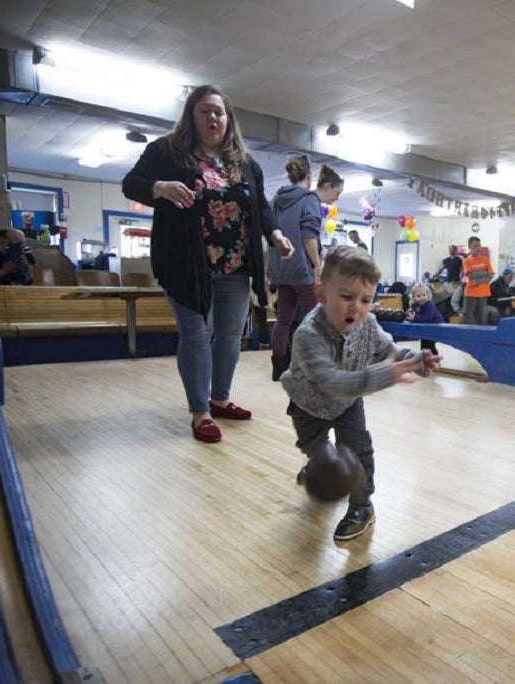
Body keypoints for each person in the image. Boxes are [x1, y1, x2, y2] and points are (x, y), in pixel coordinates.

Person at [122, 84, 295, 444]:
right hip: (186, 261)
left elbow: (260, 206)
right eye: (205, 111)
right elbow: (131, 184)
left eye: (219, 112)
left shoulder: (245, 163)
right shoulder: (167, 152)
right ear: (191, 116)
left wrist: (275, 234)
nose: (214, 118)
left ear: (228, 120)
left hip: (235, 264)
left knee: (231, 335)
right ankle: (200, 411)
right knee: (197, 333)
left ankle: (220, 399)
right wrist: (160, 188)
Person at [280, 246, 441, 541]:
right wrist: (387, 373)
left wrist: (417, 361)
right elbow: (330, 381)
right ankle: (321, 464)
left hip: (348, 404)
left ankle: (361, 506)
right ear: (321, 294)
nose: (357, 307)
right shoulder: (307, 334)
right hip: (308, 405)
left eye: (366, 299)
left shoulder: (367, 324)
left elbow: (388, 351)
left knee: (357, 452)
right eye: (346, 297)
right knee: (322, 457)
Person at [270, 155, 344, 380]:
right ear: (309, 176)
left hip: (281, 268)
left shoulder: (276, 199)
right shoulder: (309, 199)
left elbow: (271, 233)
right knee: (317, 318)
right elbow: (309, 236)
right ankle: (315, 364)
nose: (336, 198)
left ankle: (279, 366)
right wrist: (318, 266)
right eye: (337, 193)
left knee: (283, 319)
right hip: (302, 268)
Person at [460, 236, 493, 325]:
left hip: (483, 293)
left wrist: (478, 280)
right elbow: (471, 276)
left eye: (479, 246)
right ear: (469, 247)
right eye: (475, 246)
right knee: (469, 319)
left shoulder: (486, 260)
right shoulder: (466, 261)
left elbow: (491, 275)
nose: (478, 248)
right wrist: (484, 273)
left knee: (482, 320)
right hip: (470, 293)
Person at [405, 281, 444, 355]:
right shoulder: (415, 305)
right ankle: (425, 357)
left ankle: (434, 357)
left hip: (436, 327)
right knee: (424, 343)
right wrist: (409, 314)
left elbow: (428, 318)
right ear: (413, 297)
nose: (422, 298)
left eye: (424, 295)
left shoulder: (429, 304)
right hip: (427, 328)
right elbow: (412, 312)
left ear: (428, 295)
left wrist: (415, 318)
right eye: (418, 296)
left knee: (429, 344)